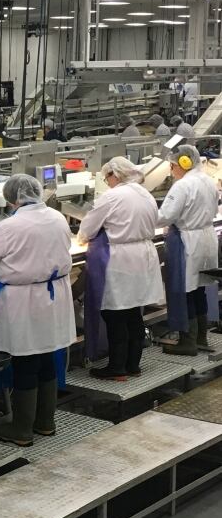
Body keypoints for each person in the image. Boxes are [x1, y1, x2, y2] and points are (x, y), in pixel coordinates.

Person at [0, 174, 76, 447]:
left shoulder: (11, 226)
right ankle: (45, 422)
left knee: (25, 362)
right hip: (53, 296)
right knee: (45, 358)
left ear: (12, 199)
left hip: (24, 300)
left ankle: (21, 428)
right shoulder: (57, 217)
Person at [78, 158, 165, 380]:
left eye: (107, 177)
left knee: (115, 314)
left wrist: (82, 239)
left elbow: (89, 225)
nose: (107, 182)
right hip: (143, 255)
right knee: (134, 312)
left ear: (115, 174)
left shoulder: (113, 196)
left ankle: (116, 368)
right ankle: (133, 365)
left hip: (121, 258)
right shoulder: (144, 193)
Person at [158, 145, 218, 356]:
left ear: (183, 163)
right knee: (199, 288)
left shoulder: (182, 185)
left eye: (172, 165)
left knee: (184, 290)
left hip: (188, 241)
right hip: (207, 238)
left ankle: (187, 341)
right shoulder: (208, 180)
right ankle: (201, 337)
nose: (171, 170)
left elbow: (165, 216)